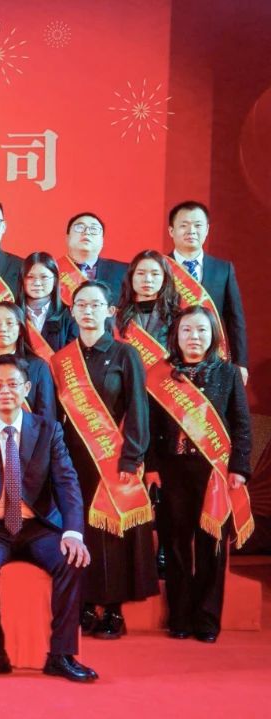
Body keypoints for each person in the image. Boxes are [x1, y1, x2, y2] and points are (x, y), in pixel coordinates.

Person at [0, 355, 97, 682]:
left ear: (27, 388)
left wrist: (73, 532)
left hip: (37, 528)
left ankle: (62, 655)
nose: (5, 391)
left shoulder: (48, 430)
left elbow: (67, 484)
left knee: (71, 559)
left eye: (12, 384)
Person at [149, 306, 252, 643]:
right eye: (187, 330)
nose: (194, 337)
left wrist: (239, 467)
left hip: (214, 473)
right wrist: (152, 467)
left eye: (201, 330)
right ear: (176, 336)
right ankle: (179, 617)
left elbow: (241, 424)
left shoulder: (228, 374)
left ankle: (206, 620)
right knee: (175, 545)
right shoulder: (160, 375)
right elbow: (149, 426)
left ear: (213, 336)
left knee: (212, 546)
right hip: (172, 471)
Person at [60, 281, 155, 639]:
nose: (88, 311)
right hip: (75, 461)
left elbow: (138, 409)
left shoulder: (125, 354)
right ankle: (84, 603)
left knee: (113, 535)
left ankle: (113, 610)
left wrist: (132, 457)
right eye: (81, 305)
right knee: (80, 531)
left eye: (95, 304)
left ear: (110, 311)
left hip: (114, 459)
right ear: (72, 311)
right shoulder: (62, 360)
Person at [168, 201, 247, 382]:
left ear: (207, 230)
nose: (191, 231)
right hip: (168, 360)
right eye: (184, 225)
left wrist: (240, 362)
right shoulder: (159, 268)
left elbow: (235, 319)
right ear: (171, 231)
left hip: (213, 360)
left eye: (197, 225)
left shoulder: (223, 269)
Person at [0, 301, 57, 421]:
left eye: (9, 323)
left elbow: (47, 417)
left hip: (29, 432)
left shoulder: (38, 367)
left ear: (20, 329)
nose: (2, 329)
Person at [116, 249, 180, 346]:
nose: (147, 279)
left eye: (155, 274)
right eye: (141, 273)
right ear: (131, 277)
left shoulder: (175, 317)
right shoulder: (117, 316)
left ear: (165, 279)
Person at [20, 252, 77, 354]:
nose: (37, 283)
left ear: (55, 280)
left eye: (44, 277)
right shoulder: (12, 313)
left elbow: (73, 354)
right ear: (22, 280)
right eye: (30, 277)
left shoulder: (70, 315)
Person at [63, 212, 127, 299]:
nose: (86, 232)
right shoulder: (52, 271)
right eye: (80, 227)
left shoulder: (124, 271)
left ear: (102, 241)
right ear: (67, 238)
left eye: (94, 229)